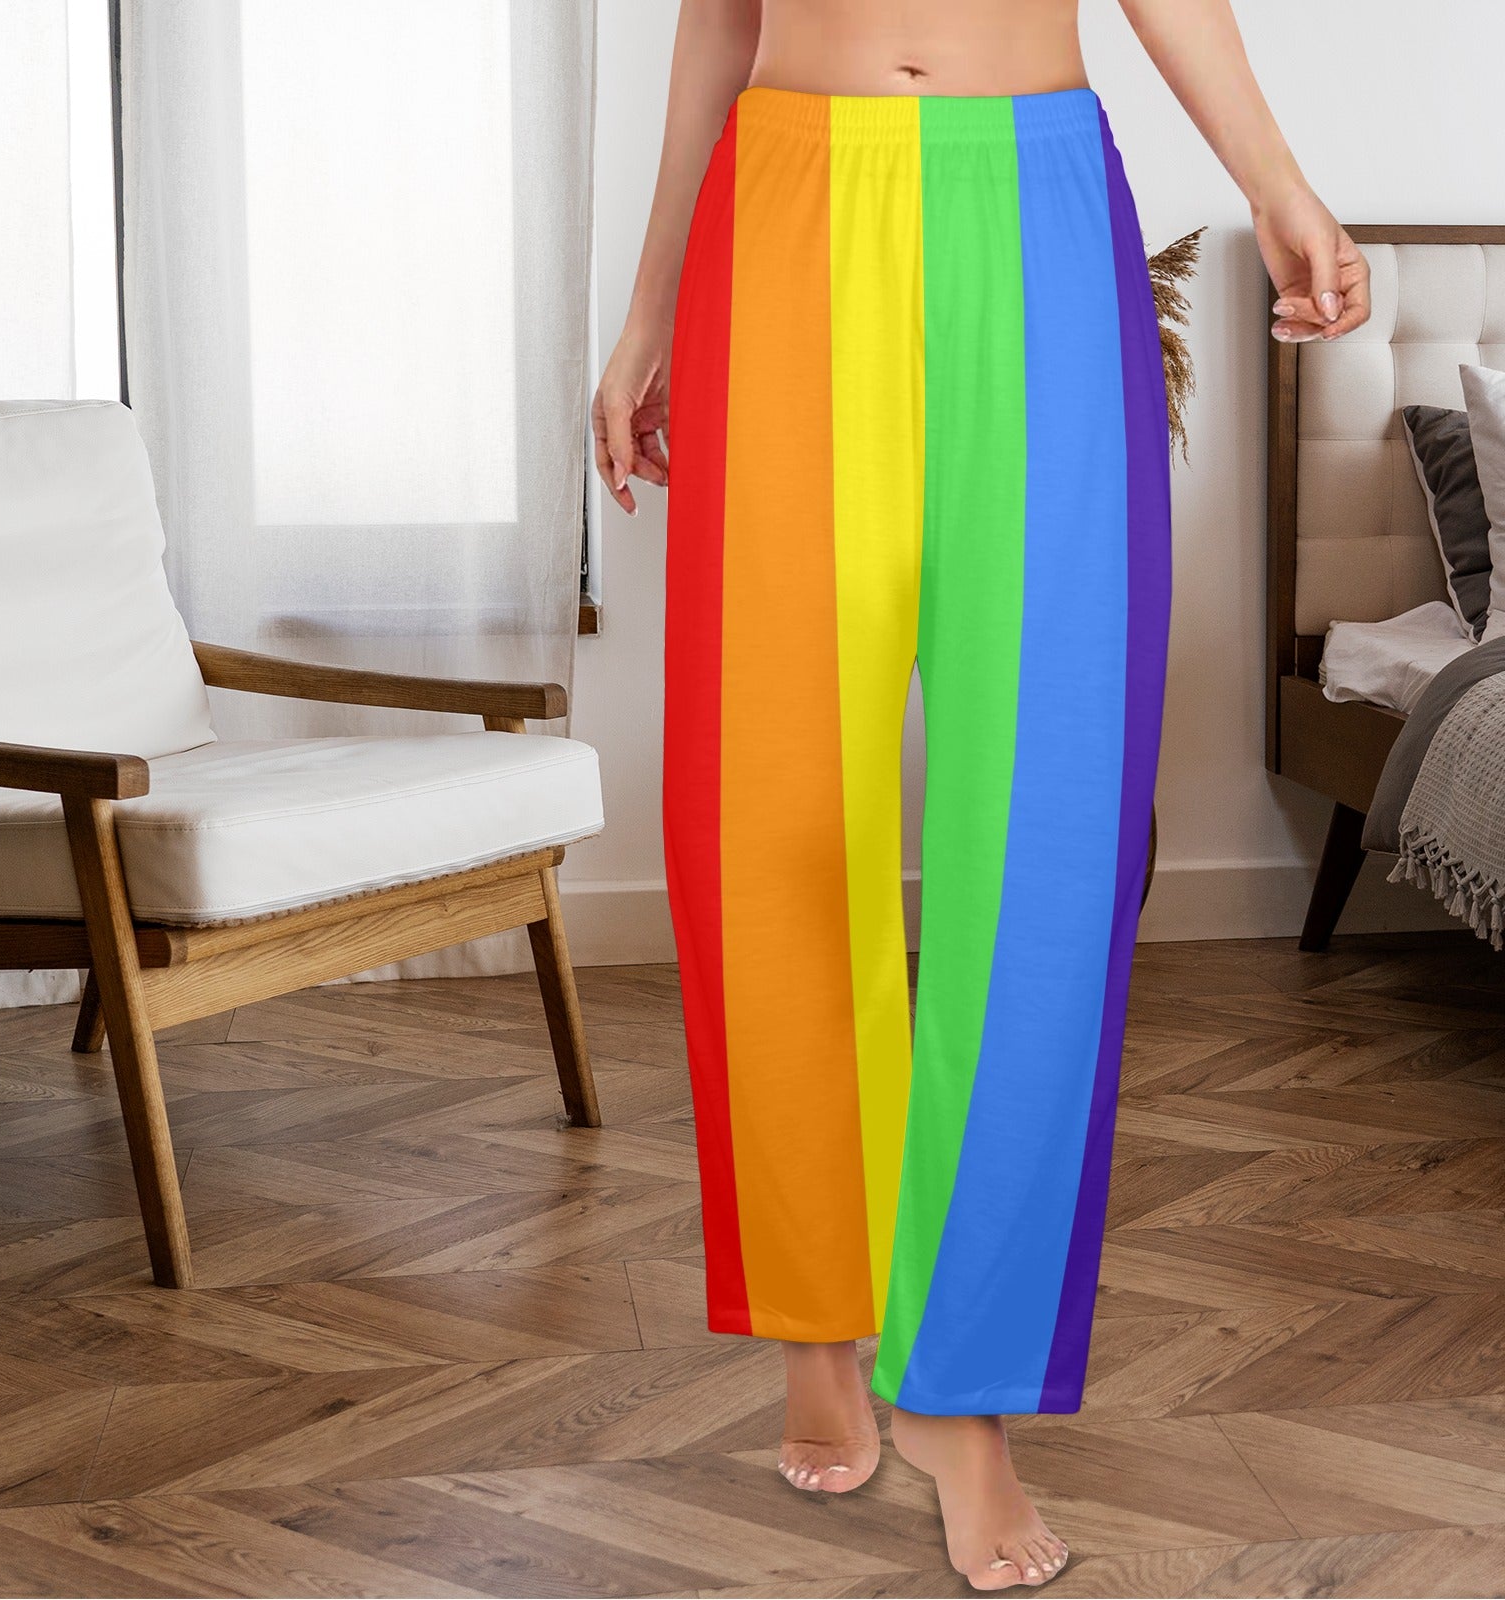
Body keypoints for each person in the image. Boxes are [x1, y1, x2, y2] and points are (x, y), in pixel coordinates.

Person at [592, 1, 1370, 1589]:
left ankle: (968, 1392)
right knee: (769, 815)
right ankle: (818, 1308)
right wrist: (649, 309)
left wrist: (1280, 180)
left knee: (1050, 826)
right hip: (786, 204)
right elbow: (713, 20)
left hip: (1034, 204)